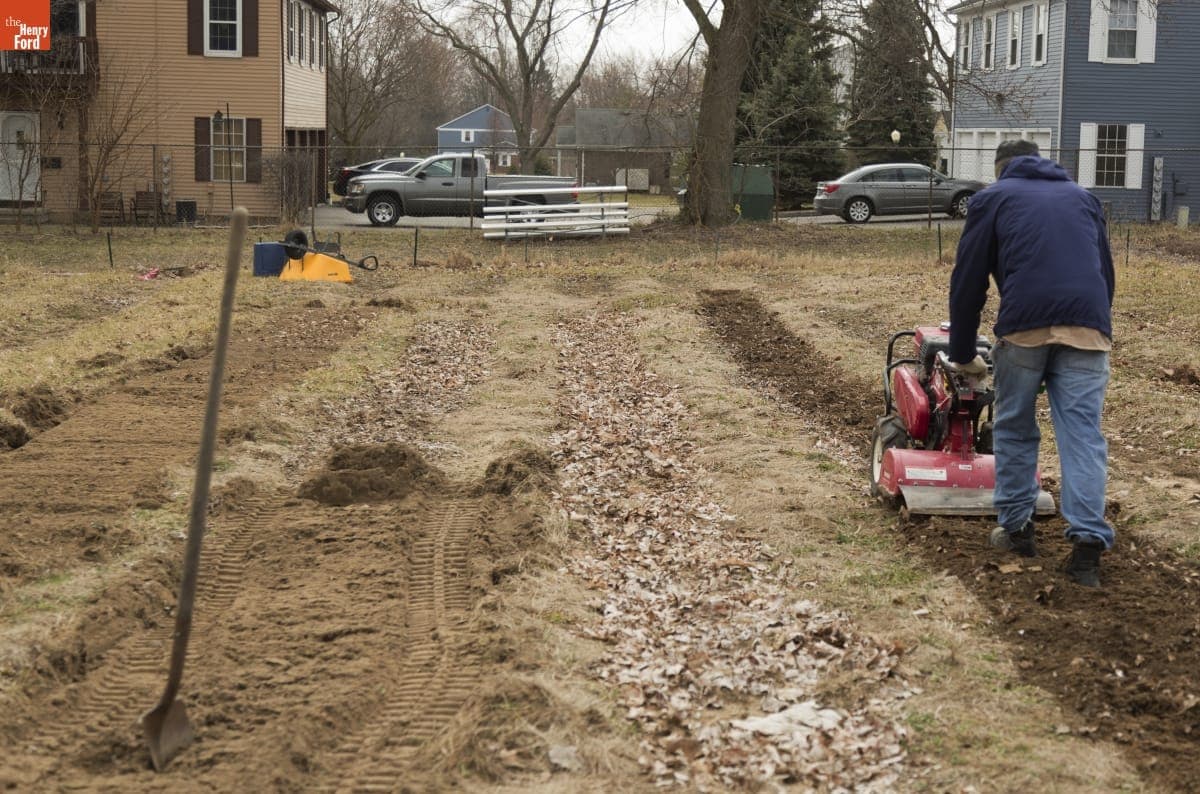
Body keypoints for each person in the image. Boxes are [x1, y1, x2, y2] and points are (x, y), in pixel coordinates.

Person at [947, 139, 1115, 588]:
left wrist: (963, 351)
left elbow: (968, 282)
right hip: (1089, 328)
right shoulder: (1083, 197)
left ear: (1001, 170)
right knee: (1082, 434)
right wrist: (1093, 325)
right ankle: (1086, 551)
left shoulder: (993, 198)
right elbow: (1105, 274)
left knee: (1016, 425)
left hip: (1023, 328)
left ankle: (1018, 529)